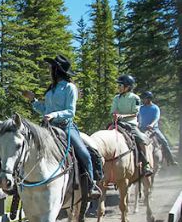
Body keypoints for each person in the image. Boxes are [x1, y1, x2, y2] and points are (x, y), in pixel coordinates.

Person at [22, 54, 102, 199]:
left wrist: (54, 115)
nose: (49, 70)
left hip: (65, 127)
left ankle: (91, 184)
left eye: (51, 67)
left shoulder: (70, 88)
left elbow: (71, 111)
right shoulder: (51, 89)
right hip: (48, 128)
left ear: (57, 70)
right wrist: (33, 100)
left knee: (84, 153)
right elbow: (45, 109)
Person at [110, 75, 153, 176]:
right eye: (118, 85)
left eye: (120, 85)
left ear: (127, 87)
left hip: (131, 124)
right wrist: (115, 115)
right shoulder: (116, 98)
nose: (118, 87)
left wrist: (122, 116)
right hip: (117, 123)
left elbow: (135, 113)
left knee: (141, 140)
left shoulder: (135, 98)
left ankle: (146, 164)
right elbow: (113, 111)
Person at [139, 91, 178, 166]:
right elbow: (137, 116)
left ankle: (170, 159)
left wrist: (151, 124)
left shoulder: (155, 108)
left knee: (164, 141)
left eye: (144, 98)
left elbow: (156, 118)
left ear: (149, 99)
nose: (143, 100)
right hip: (142, 129)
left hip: (153, 129)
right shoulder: (141, 108)